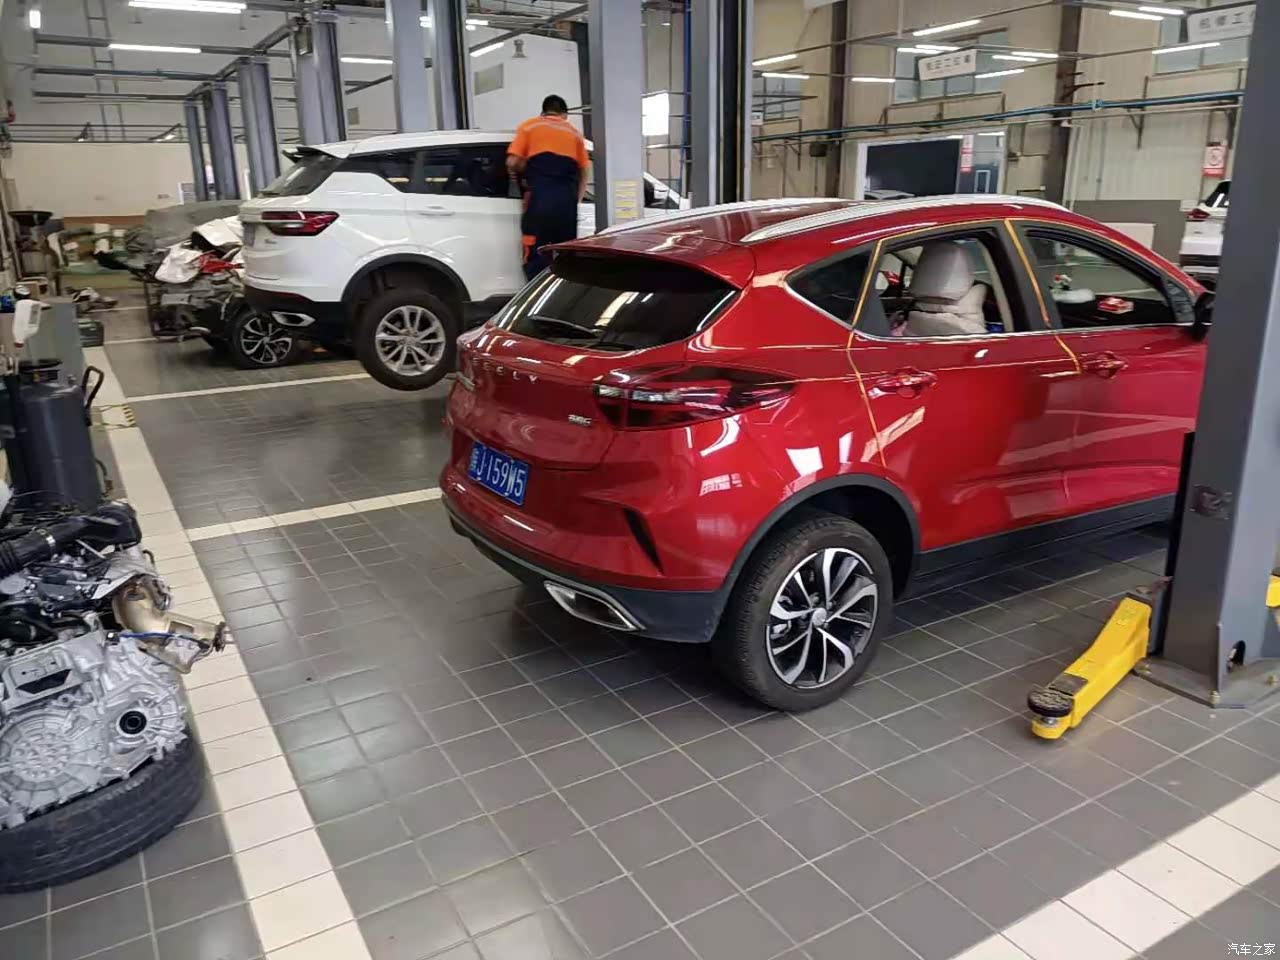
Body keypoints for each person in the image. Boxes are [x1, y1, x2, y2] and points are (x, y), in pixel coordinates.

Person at [507, 95, 589, 279]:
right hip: (566, 209)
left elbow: (512, 162)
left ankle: (536, 289)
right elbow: (584, 172)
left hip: (539, 203)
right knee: (564, 256)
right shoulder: (575, 134)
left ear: (543, 112)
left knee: (536, 253)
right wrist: (576, 200)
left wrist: (526, 171)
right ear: (564, 115)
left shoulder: (529, 126)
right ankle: (559, 292)